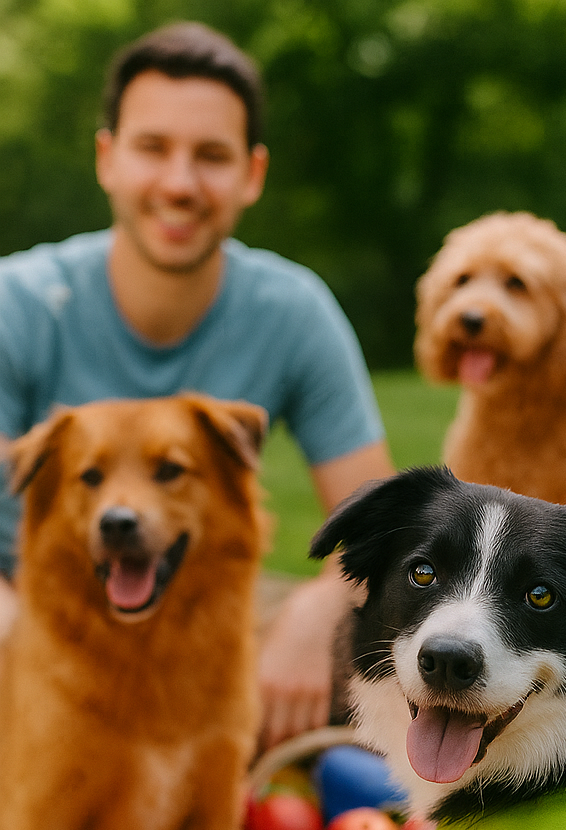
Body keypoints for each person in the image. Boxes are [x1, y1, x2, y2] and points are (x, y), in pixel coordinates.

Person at [0, 22, 394, 747]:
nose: (180, 184)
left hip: (207, 628)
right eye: (153, 148)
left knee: (379, 645)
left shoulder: (292, 311)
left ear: (252, 174)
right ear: (107, 158)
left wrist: (317, 612)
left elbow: (384, 530)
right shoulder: (17, 304)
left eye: (211, 156)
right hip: (36, 619)